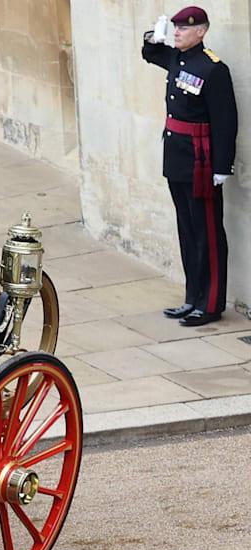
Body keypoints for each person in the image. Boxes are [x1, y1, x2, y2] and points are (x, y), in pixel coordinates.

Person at [143, 7, 238, 327]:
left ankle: (211, 304)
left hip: (201, 162)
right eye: (175, 28)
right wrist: (152, 35)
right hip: (177, 159)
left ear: (201, 32)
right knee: (187, 229)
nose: (177, 32)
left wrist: (222, 166)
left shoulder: (213, 69)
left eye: (183, 28)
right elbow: (149, 53)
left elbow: (226, 122)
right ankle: (192, 298)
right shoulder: (176, 58)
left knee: (207, 233)